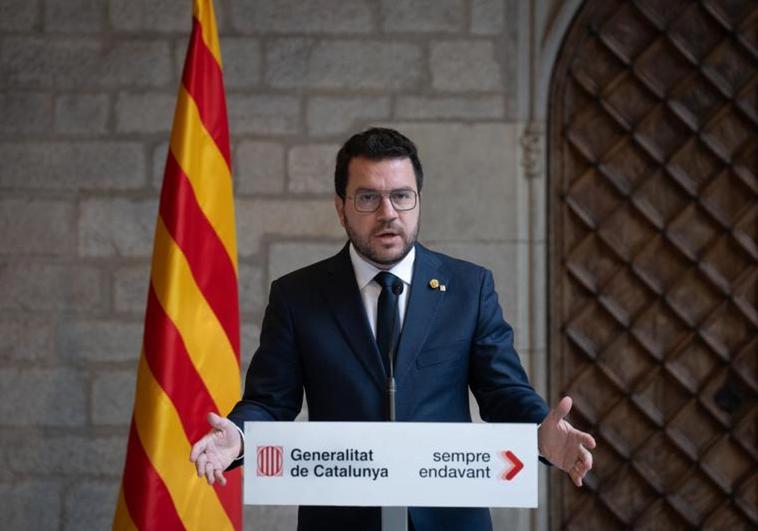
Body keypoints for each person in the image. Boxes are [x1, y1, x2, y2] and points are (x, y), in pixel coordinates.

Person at [190, 127, 595, 531]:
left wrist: (540, 435)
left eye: (402, 196)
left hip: (449, 520)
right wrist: (240, 437)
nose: (388, 213)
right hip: (341, 520)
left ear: (418, 201)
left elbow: (502, 392)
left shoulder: (469, 288)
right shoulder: (297, 296)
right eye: (368, 198)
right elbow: (271, 402)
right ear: (341, 207)